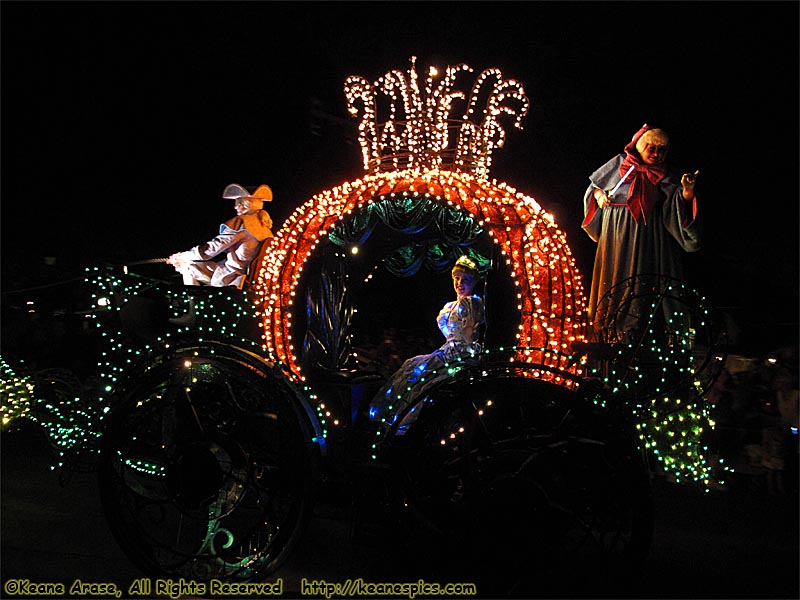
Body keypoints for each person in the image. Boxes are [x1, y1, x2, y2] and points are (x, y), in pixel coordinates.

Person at [581, 124, 701, 342]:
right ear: (640, 146)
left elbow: (675, 205)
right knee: (617, 273)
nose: (656, 155)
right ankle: (612, 333)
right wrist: (599, 197)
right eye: (651, 149)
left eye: (661, 150)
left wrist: (687, 191)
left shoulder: (667, 173)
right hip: (617, 229)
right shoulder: (619, 163)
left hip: (650, 233)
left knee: (648, 277)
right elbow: (594, 187)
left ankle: (653, 335)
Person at [368, 255, 485, 430]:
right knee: (412, 367)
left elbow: (470, 337)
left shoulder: (472, 303)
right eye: (457, 278)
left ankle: (406, 424)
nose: (460, 283)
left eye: (465, 279)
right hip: (448, 350)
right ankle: (393, 421)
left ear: (474, 281)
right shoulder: (451, 305)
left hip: (461, 354)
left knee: (424, 377)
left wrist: (470, 332)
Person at [167, 183, 274, 288]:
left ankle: (193, 303)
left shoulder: (242, 223)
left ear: (246, 204)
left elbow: (211, 250)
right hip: (242, 274)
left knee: (187, 266)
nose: (235, 206)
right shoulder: (264, 226)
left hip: (231, 276)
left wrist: (181, 256)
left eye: (238, 202)